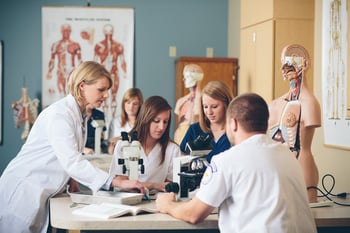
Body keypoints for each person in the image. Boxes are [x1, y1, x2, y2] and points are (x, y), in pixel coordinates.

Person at [0, 61, 144, 233]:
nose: (106, 95)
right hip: (23, 189)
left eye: (107, 90)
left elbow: (69, 153)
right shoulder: (60, 115)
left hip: (38, 190)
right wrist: (115, 181)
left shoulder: (80, 115)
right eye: (101, 89)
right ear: (82, 85)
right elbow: (72, 161)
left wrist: (72, 181)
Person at [156, 93, 317, 233]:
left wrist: (167, 205)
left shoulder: (226, 161)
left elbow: (193, 214)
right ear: (265, 123)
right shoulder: (289, 156)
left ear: (232, 123)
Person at [268, 44, 321, 203]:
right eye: (283, 63)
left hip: (302, 168)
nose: (285, 68)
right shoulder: (275, 104)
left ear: (305, 64)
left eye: (291, 62)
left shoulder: (309, 103)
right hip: (276, 170)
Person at [109, 96, 181, 193]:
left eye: (165, 122)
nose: (161, 127)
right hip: (125, 202)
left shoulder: (172, 150)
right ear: (146, 118)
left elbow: (169, 188)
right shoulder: (124, 145)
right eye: (156, 121)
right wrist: (154, 185)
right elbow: (120, 183)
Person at [179, 80, 233, 162]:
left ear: (227, 104)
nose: (209, 112)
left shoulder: (235, 132)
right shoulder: (194, 130)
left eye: (214, 107)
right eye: (205, 107)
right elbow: (180, 162)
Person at [94, 23, 127, 119]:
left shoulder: (118, 46)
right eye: (106, 32)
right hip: (102, 75)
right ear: (103, 32)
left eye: (110, 32)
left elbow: (122, 61)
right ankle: (105, 119)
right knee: (102, 97)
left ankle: (112, 119)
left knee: (113, 97)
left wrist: (125, 73)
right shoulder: (98, 46)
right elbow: (94, 62)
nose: (108, 34)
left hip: (114, 72)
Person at [46, 23, 82, 96]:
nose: (66, 33)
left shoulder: (75, 44)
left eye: (68, 31)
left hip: (72, 70)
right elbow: (52, 60)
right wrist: (49, 71)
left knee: (71, 93)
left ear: (70, 32)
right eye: (65, 31)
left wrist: (82, 74)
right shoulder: (56, 45)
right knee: (62, 93)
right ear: (61, 31)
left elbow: (80, 60)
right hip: (61, 70)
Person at [174, 63, 203, 144]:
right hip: (180, 136)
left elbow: (197, 113)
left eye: (186, 77)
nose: (184, 80)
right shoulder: (182, 101)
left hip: (194, 137)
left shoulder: (201, 99)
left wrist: (198, 87)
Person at [108, 87, 144, 154]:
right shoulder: (115, 122)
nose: (131, 107)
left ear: (140, 105)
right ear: (123, 104)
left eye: (135, 104)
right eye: (128, 103)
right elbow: (110, 150)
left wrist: (122, 139)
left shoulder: (145, 122)